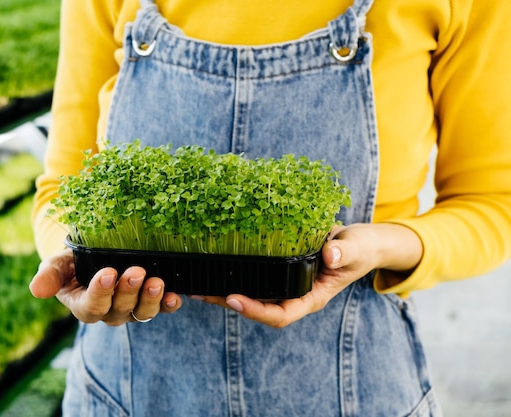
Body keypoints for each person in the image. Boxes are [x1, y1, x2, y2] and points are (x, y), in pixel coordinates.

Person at [29, 0, 511, 415]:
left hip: (354, 385)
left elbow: (491, 203)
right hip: (130, 391)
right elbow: (63, 187)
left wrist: (382, 244)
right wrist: (74, 263)